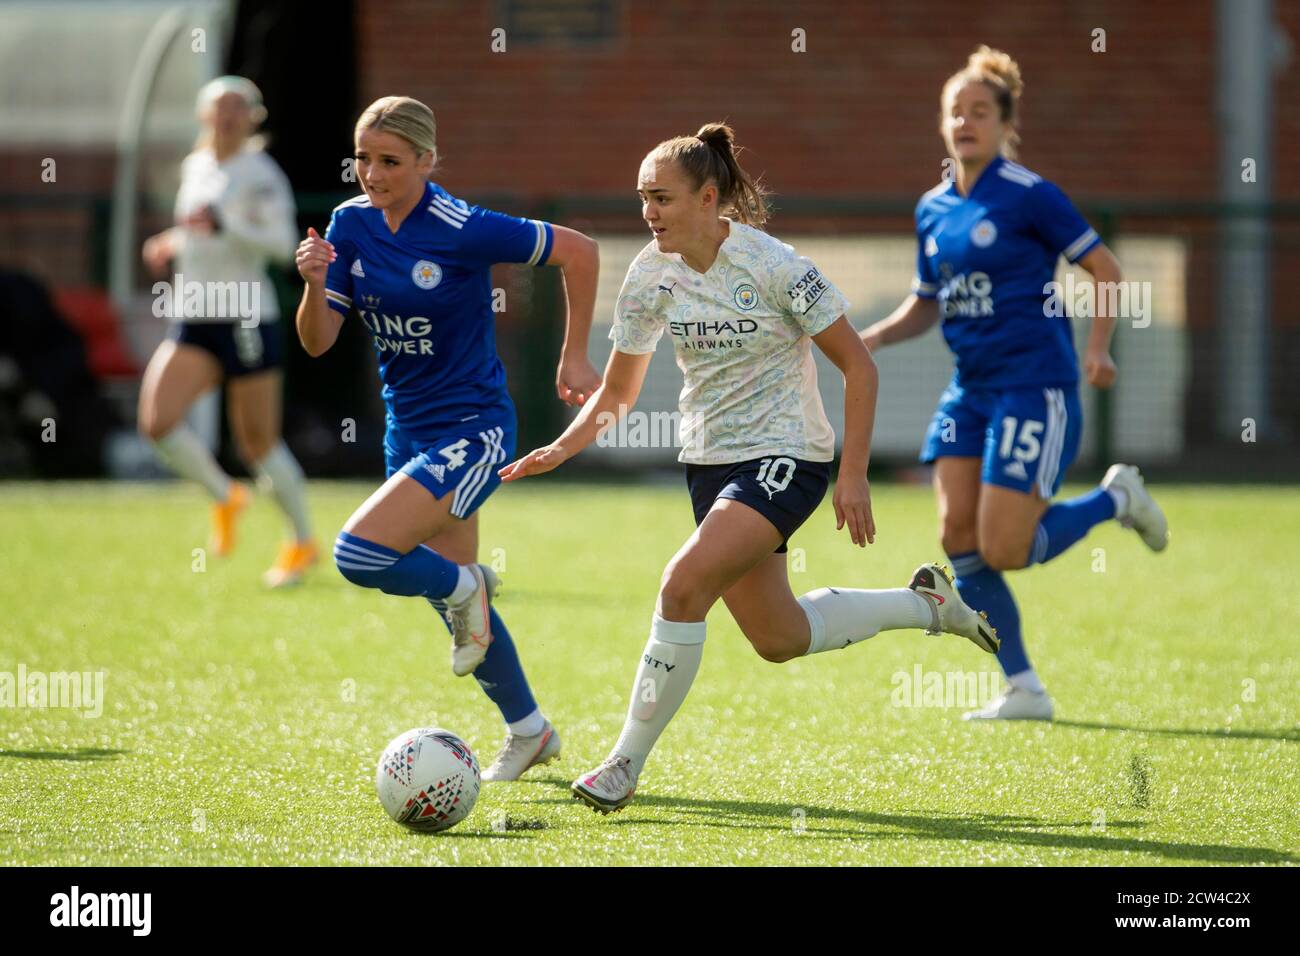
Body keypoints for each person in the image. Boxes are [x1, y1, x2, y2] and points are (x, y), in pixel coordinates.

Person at [500, 123, 998, 814]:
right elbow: (616, 393)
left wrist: (852, 473)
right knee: (779, 637)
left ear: (709, 198)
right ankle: (926, 604)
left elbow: (858, 365)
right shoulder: (649, 274)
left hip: (788, 456)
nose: (650, 212)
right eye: (643, 198)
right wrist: (561, 447)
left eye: (663, 198)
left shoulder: (773, 264)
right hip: (710, 465)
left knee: (681, 586)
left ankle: (621, 766)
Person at [295, 95, 602, 780]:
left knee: (357, 554)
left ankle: (467, 585)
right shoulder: (349, 224)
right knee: (463, 613)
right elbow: (318, 343)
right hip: (408, 432)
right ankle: (531, 731)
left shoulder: (461, 227)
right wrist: (315, 284)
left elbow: (579, 253)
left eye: (390, 161)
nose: (371, 173)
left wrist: (573, 355)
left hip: (476, 429)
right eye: (362, 158)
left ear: (428, 161)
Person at [860, 47, 1169, 721]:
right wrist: (871, 338)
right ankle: (1024, 687)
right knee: (958, 538)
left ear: (1004, 124)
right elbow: (927, 302)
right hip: (969, 390)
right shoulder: (932, 210)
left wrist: (1098, 348)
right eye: (955, 112)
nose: (965, 122)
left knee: (1005, 547)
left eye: (979, 111)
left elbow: (1108, 270)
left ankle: (1117, 499)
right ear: (942, 125)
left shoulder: (1032, 196)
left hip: (1035, 385)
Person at [139, 76, 316, 587]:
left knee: (257, 442)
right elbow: (201, 225)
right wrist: (171, 241)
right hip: (195, 311)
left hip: (245, 313)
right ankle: (226, 495)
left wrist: (227, 227)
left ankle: (301, 539)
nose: (228, 117)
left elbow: (283, 244)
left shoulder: (261, 173)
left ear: (254, 118)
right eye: (219, 108)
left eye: (238, 109)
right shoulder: (197, 166)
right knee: (157, 421)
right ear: (203, 116)